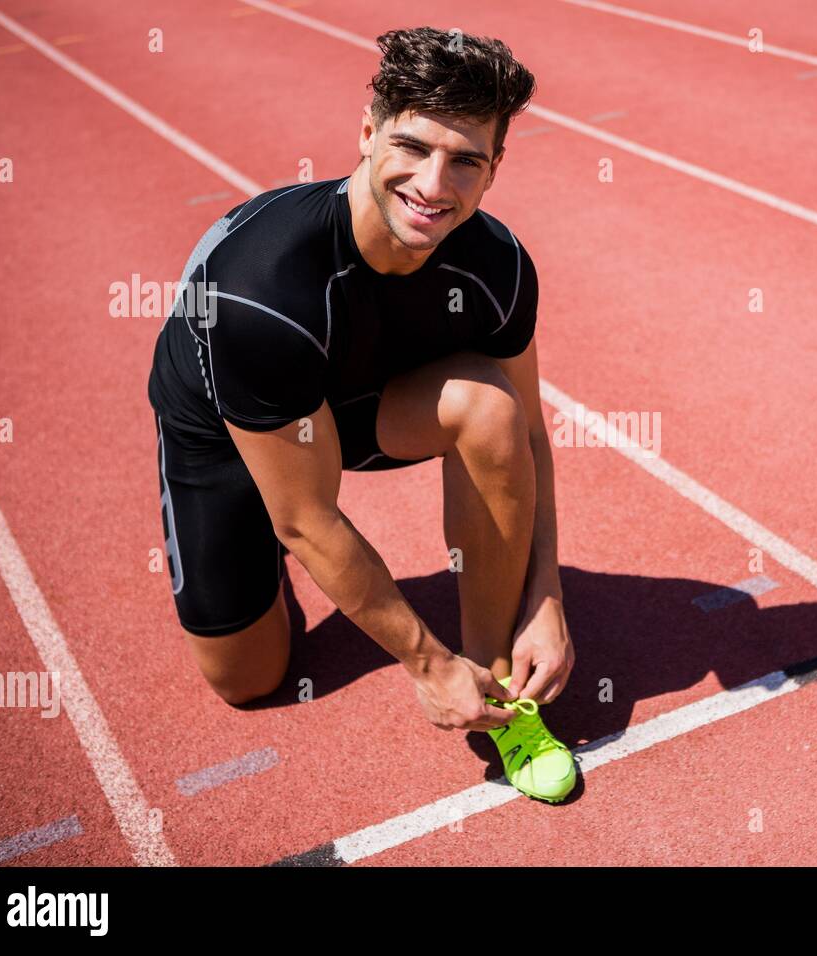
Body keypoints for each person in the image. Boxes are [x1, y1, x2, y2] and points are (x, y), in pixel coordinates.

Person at [146, 26, 576, 802]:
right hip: (235, 421)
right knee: (250, 680)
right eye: (412, 147)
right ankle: (266, 575)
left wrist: (543, 599)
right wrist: (423, 662)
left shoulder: (499, 267)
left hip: (363, 398)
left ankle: (498, 690)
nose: (434, 184)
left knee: (491, 409)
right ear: (368, 131)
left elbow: (534, 439)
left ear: (494, 170)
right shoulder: (262, 290)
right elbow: (308, 517)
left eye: (466, 160)